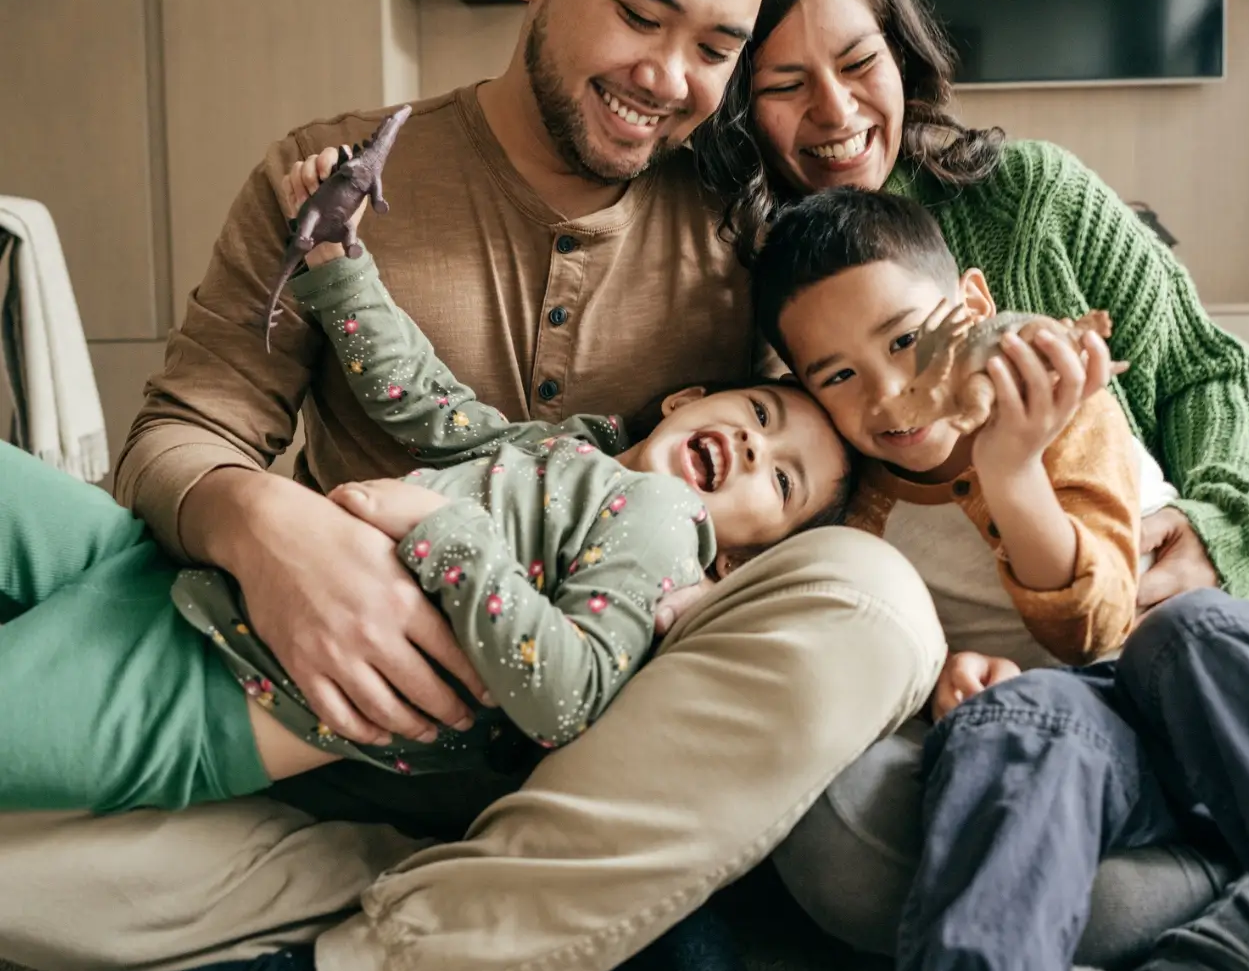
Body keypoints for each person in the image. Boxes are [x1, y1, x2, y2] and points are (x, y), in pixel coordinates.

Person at [0, 0, 942, 971]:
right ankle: (386, 938)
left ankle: (387, 942)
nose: (666, 78)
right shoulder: (328, 176)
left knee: (867, 620)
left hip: (545, 822)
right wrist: (265, 529)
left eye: (714, 49)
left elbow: (845, 450)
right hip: (263, 725)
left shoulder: (740, 247)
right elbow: (184, 430)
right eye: (640, 15)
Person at [692, 0, 1249, 971]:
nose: (833, 112)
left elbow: (1211, 373)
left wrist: (1211, 529)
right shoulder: (728, 270)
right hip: (1008, 689)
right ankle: (1222, 921)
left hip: (1164, 620)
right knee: (955, 776)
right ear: (735, 106)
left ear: (900, 49)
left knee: (1217, 649)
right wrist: (926, 677)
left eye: (857, 61)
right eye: (782, 86)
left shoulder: (1025, 198)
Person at [750, 184, 1249, 971]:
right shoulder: (861, 510)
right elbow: (862, 642)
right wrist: (940, 674)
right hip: (1074, 739)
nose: (886, 393)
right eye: (838, 375)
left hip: (1182, 683)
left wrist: (1013, 469)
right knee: (1011, 721)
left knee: (1196, 628)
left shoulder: (1065, 410)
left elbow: (1100, 619)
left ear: (974, 305)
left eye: (908, 340)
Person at [0, 206, 853, 811]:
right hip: (180, 565)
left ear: (740, 560)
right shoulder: (566, 450)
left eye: (781, 483)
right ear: (688, 400)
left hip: (235, 680)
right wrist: (342, 275)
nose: (753, 449)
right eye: (761, 416)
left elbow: (567, 697)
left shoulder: (666, 533)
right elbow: (427, 402)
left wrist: (444, 531)